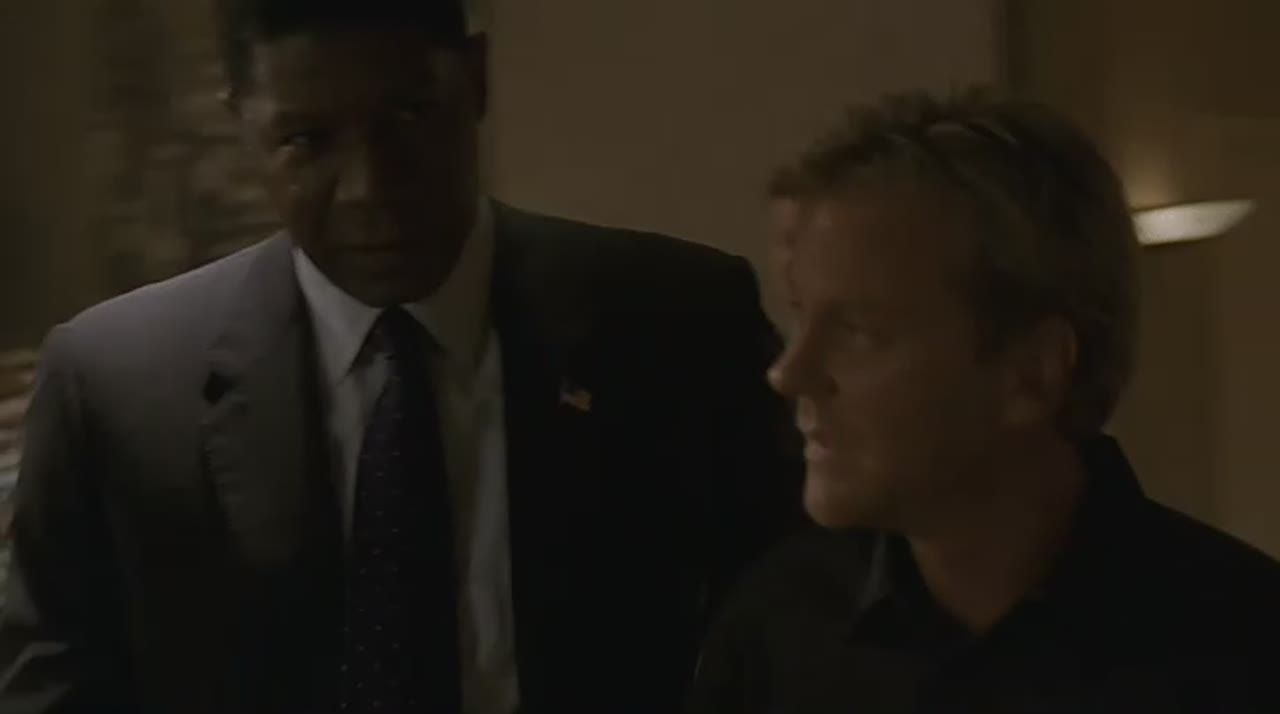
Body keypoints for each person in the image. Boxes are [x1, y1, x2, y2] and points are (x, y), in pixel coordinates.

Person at [0, 1, 802, 712]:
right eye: (307, 140)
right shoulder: (116, 387)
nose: (369, 187)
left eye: (409, 117)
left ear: (476, 80)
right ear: (244, 122)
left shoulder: (678, 324)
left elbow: (807, 627)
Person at [688, 90, 1280, 714]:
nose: (789, 373)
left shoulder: (1246, 651)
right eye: (801, 316)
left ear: (1032, 373)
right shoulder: (781, 628)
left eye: (858, 331)